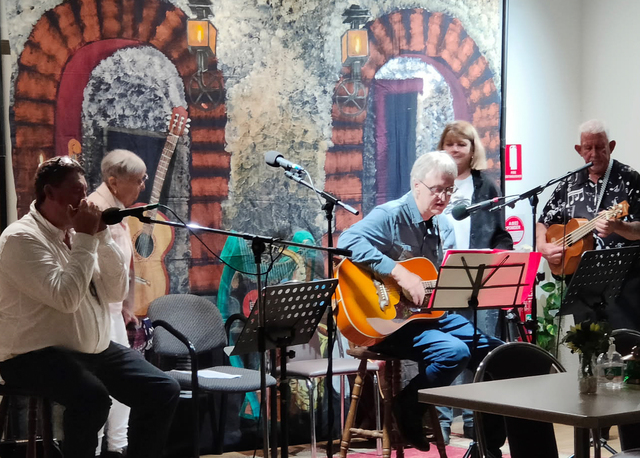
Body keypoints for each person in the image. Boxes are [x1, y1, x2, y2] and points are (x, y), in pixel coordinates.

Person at [0, 156, 180, 458]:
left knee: (162, 389)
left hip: (90, 350)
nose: (85, 200)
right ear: (50, 192)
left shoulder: (76, 234)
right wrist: (85, 238)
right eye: (76, 191)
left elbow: (114, 292)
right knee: (92, 399)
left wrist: (101, 237)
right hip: (30, 355)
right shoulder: (21, 238)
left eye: (85, 191)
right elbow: (66, 299)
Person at [338, 151, 504, 453]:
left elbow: (437, 279)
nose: (443, 197)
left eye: (449, 190)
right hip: (387, 320)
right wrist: (399, 273)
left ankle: (488, 443)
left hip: (427, 315)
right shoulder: (390, 216)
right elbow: (347, 242)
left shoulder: (444, 226)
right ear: (416, 185)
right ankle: (408, 405)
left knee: (497, 352)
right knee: (453, 352)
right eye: (436, 189)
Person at [437, 120, 513, 442]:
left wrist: (500, 258)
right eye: (449, 143)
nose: (455, 149)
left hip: (481, 278)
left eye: (461, 144)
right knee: (447, 349)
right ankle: (441, 424)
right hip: (443, 278)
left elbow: (501, 235)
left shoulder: (487, 188)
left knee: (481, 349)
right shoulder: (435, 182)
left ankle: (474, 422)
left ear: (472, 150)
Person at [537, 119, 640, 330]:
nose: (594, 154)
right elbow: (543, 222)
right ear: (579, 150)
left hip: (625, 284)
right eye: (588, 148)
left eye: (600, 147)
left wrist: (619, 227)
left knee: (627, 343)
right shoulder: (568, 183)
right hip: (582, 285)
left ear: (611, 146)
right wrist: (543, 246)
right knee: (586, 343)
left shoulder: (629, 179)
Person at [87, 149, 147, 457]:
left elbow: (126, 267)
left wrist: (126, 306)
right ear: (113, 181)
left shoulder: (119, 211)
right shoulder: (96, 210)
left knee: (123, 388)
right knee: (100, 389)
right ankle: (98, 450)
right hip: (96, 315)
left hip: (113, 311)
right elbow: (93, 272)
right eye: (138, 180)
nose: (143, 186)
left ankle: (117, 448)